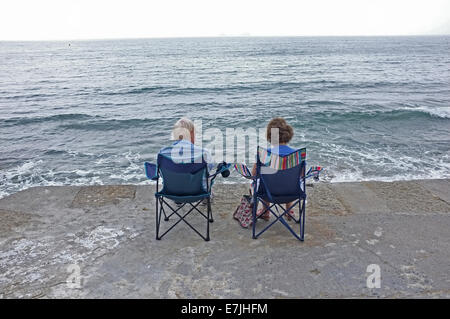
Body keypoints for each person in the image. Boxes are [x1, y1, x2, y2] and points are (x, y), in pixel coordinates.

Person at [251, 117, 296, 221]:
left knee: (263, 178)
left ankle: (265, 211)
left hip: (268, 193)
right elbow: (301, 175)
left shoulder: (264, 154)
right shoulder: (296, 155)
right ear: (288, 134)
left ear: (270, 136)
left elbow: (254, 174)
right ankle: (289, 211)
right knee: (288, 178)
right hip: (291, 193)